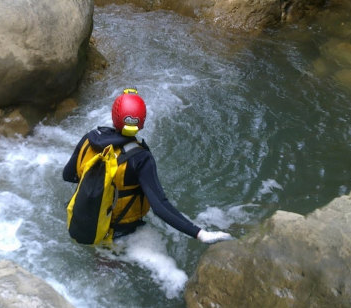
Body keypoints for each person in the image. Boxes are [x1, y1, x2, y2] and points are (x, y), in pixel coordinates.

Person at [63, 88, 233, 244]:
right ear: (141, 123)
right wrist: (201, 234)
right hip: (121, 234)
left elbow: (68, 175)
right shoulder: (141, 157)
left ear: (114, 116)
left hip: (83, 218)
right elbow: (160, 207)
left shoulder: (90, 138)